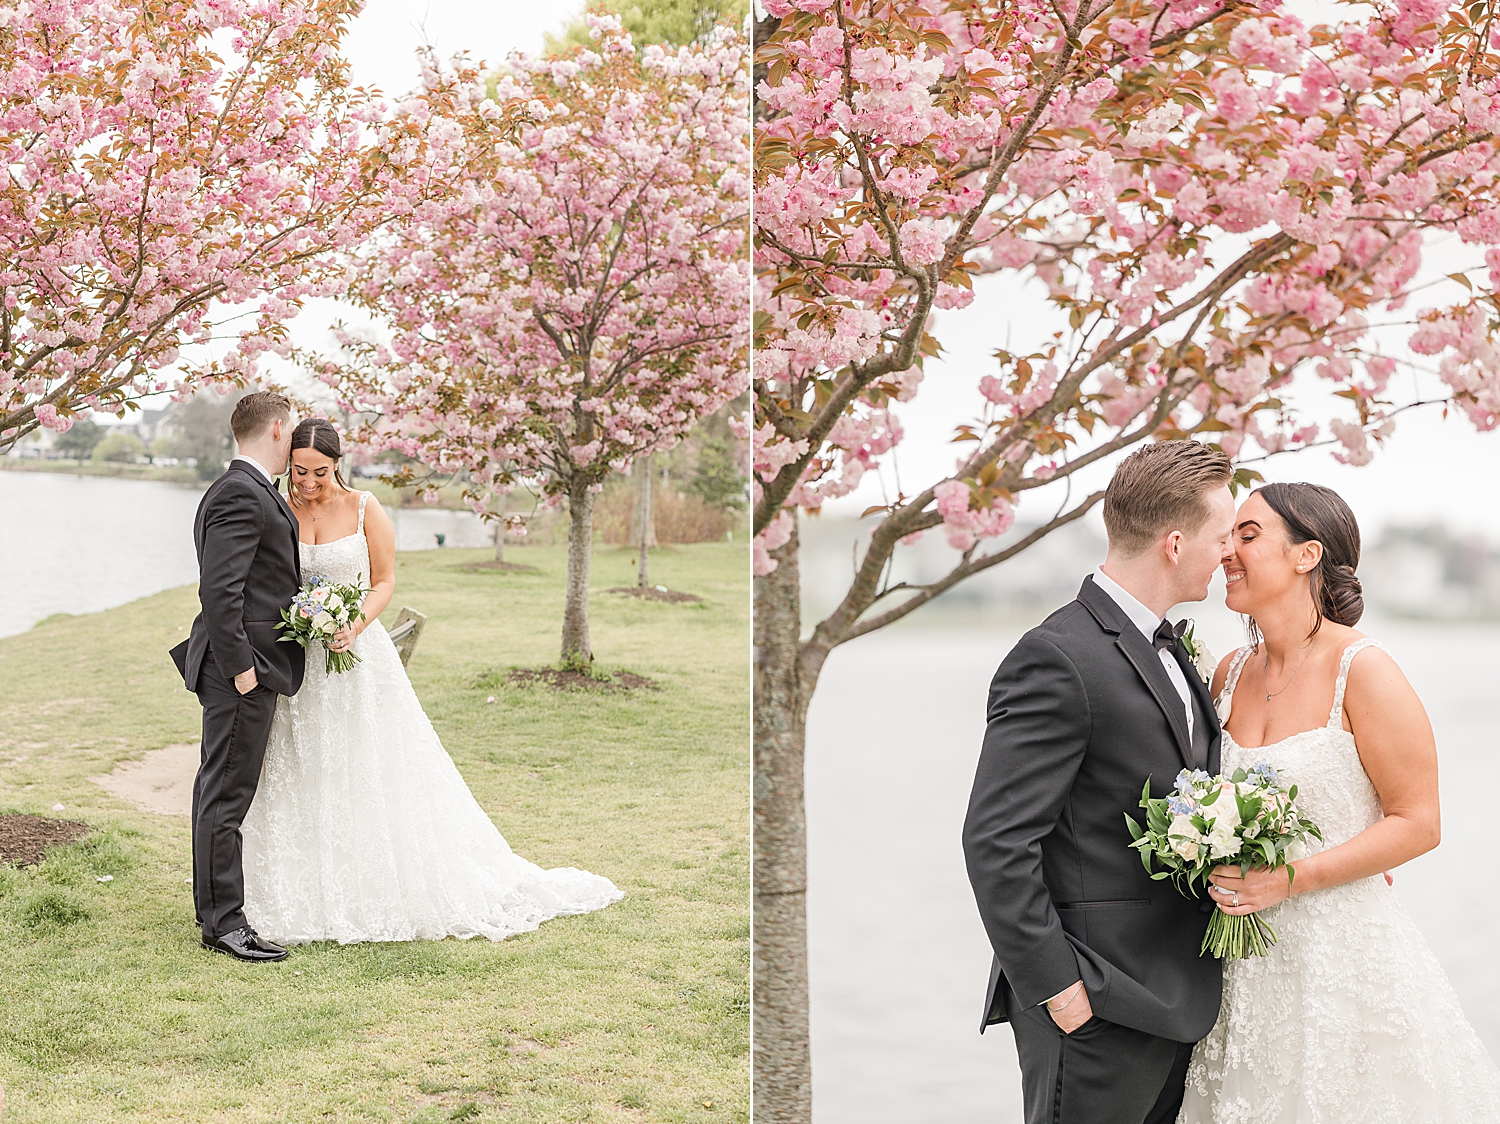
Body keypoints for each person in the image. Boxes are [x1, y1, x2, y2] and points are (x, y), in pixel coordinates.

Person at [1177, 481, 1500, 1122]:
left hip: (1344, 966)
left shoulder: (1365, 669)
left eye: (1248, 536)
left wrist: (1292, 877)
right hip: (1240, 970)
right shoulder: (1228, 674)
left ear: (1307, 555)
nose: (1227, 555)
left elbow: (1419, 821)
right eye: (1228, 538)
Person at [239, 418, 622, 944]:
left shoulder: (364, 508)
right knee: (300, 764)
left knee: (366, 766)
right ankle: (289, 886)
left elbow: (385, 581)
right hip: (296, 658)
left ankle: (371, 885)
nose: (307, 482)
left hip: (356, 653)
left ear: (338, 464)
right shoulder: (279, 505)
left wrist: (353, 622)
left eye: (319, 472)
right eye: (299, 470)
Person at [962, 440, 1237, 1124]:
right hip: (1095, 1008)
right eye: (1221, 535)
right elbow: (995, 841)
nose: (1228, 552)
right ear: (1175, 544)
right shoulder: (1057, 658)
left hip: (1174, 1004)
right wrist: (1062, 991)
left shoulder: (1171, 648)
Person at [170, 390, 304, 963]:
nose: (294, 440)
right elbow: (219, 592)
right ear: (276, 428)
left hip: (243, 665)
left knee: (219, 790)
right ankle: (225, 924)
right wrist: (244, 670)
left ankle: (214, 910)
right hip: (240, 670)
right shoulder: (241, 494)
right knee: (226, 793)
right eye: (292, 430)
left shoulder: (242, 490)